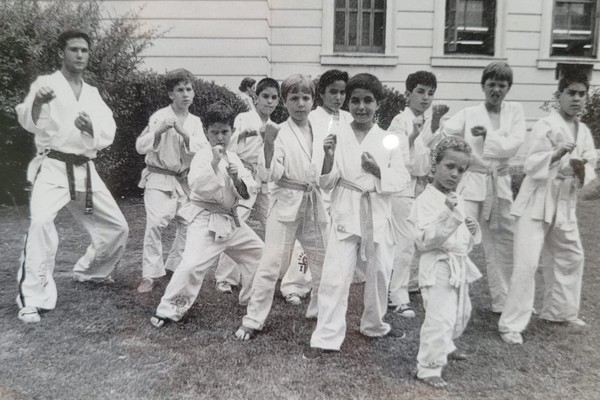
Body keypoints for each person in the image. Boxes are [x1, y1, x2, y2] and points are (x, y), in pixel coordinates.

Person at [14, 30, 129, 323]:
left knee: (117, 227)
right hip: (52, 167)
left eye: (84, 50)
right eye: (74, 49)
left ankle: (91, 272)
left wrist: (90, 126)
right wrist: (39, 102)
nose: (80, 55)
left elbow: (108, 130)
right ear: (60, 53)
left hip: (84, 169)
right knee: (40, 223)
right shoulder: (45, 84)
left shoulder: (91, 93)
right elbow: (30, 121)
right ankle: (32, 298)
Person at [305, 73, 410, 358]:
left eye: (368, 101)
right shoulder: (336, 135)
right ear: (346, 103)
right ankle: (327, 335)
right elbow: (324, 181)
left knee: (379, 274)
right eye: (355, 101)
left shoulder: (389, 139)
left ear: (379, 103)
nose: (361, 107)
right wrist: (327, 156)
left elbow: (401, 178)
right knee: (335, 276)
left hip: (376, 212)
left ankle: (373, 324)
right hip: (345, 209)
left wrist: (378, 172)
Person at [498, 69, 597, 345]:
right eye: (571, 93)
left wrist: (580, 169)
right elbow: (531, 165)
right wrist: (556, 155)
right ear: (559, 96)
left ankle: (560, 311)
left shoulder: (584, 131)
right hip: (536, 200)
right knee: (527, 263)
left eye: (581, 94)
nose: (576, 99)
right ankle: (511, 324)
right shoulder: (546, 124)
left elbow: (589, 167)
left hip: (563, 200)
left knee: (571, 255)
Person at [150, 101, 263, 327]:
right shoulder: (202, 156)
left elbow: (248, 190)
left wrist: (237, 178)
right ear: (206, 132)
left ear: (232, 132)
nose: (220, 137)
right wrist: (214, 163)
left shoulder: (235, 159)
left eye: (225, 132)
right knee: (192, 264)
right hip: (206, 222)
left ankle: (251, 298)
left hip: (231, 222)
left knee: (259, 254)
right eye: (214, 132)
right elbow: (198, 186)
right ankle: (167, 310)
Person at [235, 74, 329, 340]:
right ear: (284, 102)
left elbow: (323, 170)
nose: (300, 104)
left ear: (314, 100)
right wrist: (267, 143)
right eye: (294, 98)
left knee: (322, 259)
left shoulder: (321, 129)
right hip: (286, 201)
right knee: (271, 263)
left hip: (313, 202)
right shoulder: (278, 131)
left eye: (306, 98)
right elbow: (269, 175)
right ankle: (253, 319)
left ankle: (321, 310)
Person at [440, 62, 526, 314]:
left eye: (501, 85)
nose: (496, 90)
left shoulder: (516, 112)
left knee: (503, 244)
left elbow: (514, 145)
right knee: (460, 239)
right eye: (491, 84)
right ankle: (453, 299)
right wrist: (465, 158)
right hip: (473, 183)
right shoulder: (469, 113)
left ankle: (504, 300)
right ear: (483, 86)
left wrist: (488, 136)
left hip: (499, 185)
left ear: (508, 88)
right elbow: (445, 134)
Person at [279, 69, 354, 306]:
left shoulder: (349, 119)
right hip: (315, 188)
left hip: (340, 186)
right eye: (333, 92)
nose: (338, 97)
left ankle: (326, 287)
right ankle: (294, 284)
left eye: (342, 92)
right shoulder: (312, 118)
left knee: (330, 243)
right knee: (305, 241)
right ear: (321, 94)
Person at [412, 137, 482, 389]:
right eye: (450, 166)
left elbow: (463, 240)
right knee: (439, 317)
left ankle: (447, 345)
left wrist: (473, 231)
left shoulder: (456, 198)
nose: (455, 174)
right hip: (437, 265)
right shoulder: (425, 200)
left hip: (458, 265)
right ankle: (428, 367)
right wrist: (449, 215)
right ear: (435, 166)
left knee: (461, 314)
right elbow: (424, 240)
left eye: (461, 170)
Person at [136, 68, 207, 293]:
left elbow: (204, 150)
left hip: (183, 180)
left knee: (188, 224)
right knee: (156, 224)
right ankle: (150, 274)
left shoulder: (195, 122)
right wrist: (158, 132)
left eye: (189, 89)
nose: (185, 94)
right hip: (158, 177)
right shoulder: (159, 116)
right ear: (170, 94)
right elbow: (140, 146)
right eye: (180, 90)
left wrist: (185, 135)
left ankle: (175, 266)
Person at [386, 71, 449, 318]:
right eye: (420, 92)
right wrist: (413, 136)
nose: (426, 98)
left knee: (420, 238)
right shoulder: (399, 121)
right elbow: (401, 159)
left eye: (430, 93)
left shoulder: (431, 120)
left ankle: (410, 283)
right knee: (404, 241)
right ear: (407, 94)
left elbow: (434, 155)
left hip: (421, 186)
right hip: (402, 187)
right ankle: (397, 297)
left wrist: (433, 126)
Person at [214, 78, 280, 300]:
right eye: (265, 97)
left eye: (274, 98)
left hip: (263, 180)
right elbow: (228, 146)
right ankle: (225, 278)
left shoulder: (273, 125)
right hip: (241, 175)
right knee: (236, 222)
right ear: (256, 97)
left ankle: (270, 271)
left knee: (274, 221)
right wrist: (247, 134)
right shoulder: (243, 118)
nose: (269, 102)